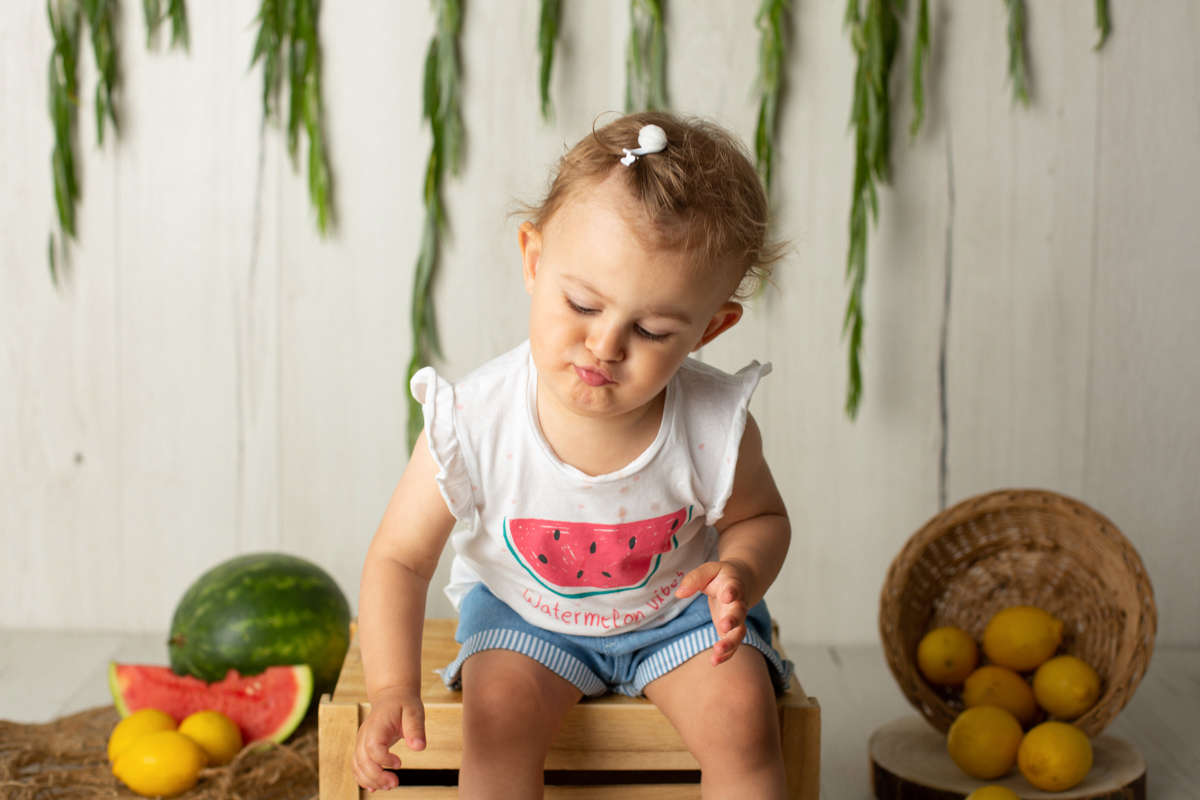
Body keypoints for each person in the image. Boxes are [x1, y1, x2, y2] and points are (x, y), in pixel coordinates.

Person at [353, 111, 793, 799]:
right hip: (524, 619)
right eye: (583, 305)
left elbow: (763, 519)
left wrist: (740, 568)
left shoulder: (714, 422)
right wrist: (389, 687)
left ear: (710, 328)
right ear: (534, 261)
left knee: (744, 717)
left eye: (650, 330)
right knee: (495, 722)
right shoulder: (475, 419)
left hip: (675, 618)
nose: (606, 345)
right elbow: (400, 559)